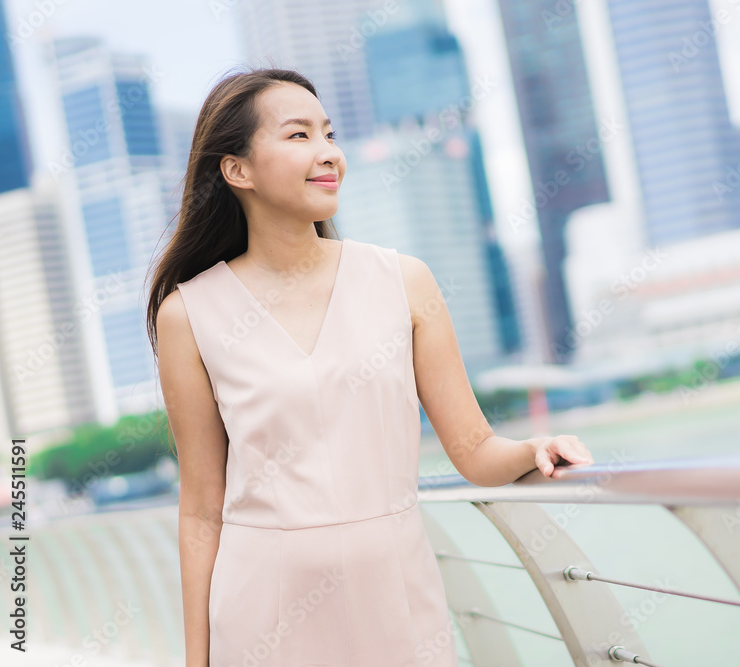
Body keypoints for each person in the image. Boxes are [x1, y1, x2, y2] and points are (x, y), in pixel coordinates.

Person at [145, 67, 595, 666]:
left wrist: (533, 449)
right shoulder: (190, 315)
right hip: (262, 614)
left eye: (329, 134)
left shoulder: (402, 281)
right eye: (298, 136)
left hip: (396, 599)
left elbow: (473, 448)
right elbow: (202, 508)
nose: (328, 153)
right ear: (237, 170)